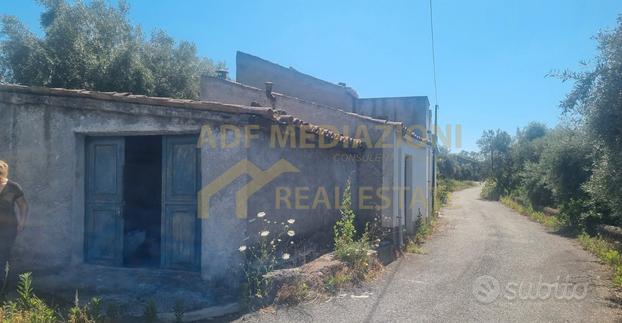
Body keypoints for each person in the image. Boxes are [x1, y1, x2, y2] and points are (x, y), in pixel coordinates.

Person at [0, 160, 28, 273]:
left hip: (8, 227)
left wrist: (22, 222)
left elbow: (24, 206)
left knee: (3, 254)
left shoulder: (13, 187)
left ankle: (3, 284)